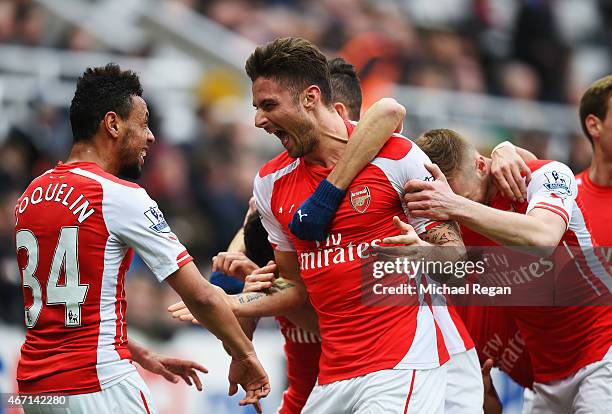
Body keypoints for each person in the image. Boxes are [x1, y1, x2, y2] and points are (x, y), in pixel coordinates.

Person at [13, 63, 269, 413]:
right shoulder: (119, 195)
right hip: (98, 383)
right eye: (143, 123)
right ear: (113, 124)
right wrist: (246, 355)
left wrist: (141, 353)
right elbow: (201, 296)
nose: (151, 136)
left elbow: (64, 313)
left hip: (35, 389)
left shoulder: (31, 194)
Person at [235, 37, 466, 413]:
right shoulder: (269, 183)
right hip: (332, 377)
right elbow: (295, 287)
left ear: (310, 97)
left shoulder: (398, 156)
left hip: (401, 365)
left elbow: (457, 263)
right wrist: (231, 304)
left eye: (269, 105)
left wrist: (423, 254)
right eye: (257, 107)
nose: (259, 119)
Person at [408, 128, 612, 414]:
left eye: (460, 196)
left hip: (602, 350)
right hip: (545, 379)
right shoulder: (453, 223)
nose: (452, 213)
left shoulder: (545, 175)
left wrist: (455, 204)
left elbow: (542, 237)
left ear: (481, 165)